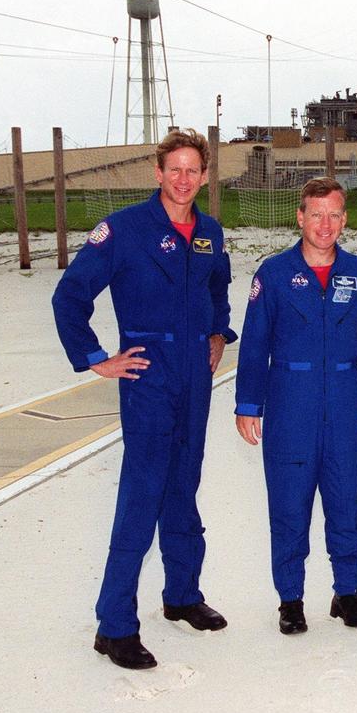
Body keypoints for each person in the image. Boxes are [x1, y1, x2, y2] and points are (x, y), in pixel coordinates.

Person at [52, 128, 236, 670]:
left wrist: (219, 333)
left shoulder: (209, 232)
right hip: (149, 376)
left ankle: (181, 595)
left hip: (195, 378)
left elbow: (218, 287)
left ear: (205, 176)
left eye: (192, 170)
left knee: (184, 485)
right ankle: (114, 625)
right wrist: (95, 358)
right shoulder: (125, 229)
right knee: (142, 494)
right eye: (173, 169)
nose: (183, 179)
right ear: (158, 173)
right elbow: (70, 296)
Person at [234, 177, 357, 634]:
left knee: (348, 499)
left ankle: (347, 593)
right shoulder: (273, 275)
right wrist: (249, 404)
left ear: (345, 220)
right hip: (290, 402)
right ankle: (291, 599)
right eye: (316, 214)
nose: (325, 225)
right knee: (289, 504)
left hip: (346, 401)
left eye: (334, 215)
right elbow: (254, 345)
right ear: (300, 218)